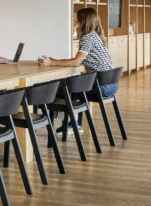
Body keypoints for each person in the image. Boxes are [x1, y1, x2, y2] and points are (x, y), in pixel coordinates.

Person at [38, 7, 115, 135]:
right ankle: (73, 123)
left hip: (102, 86)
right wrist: (53, 60)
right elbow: (78, 60)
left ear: (82, 22)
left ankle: (71, 124)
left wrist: (51, 62)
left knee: (58, 90)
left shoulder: (87, 38)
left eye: (77, 20)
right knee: (68, 87)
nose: (75, 22)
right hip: (111, 84)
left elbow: (76, 62)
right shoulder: (95, 36)